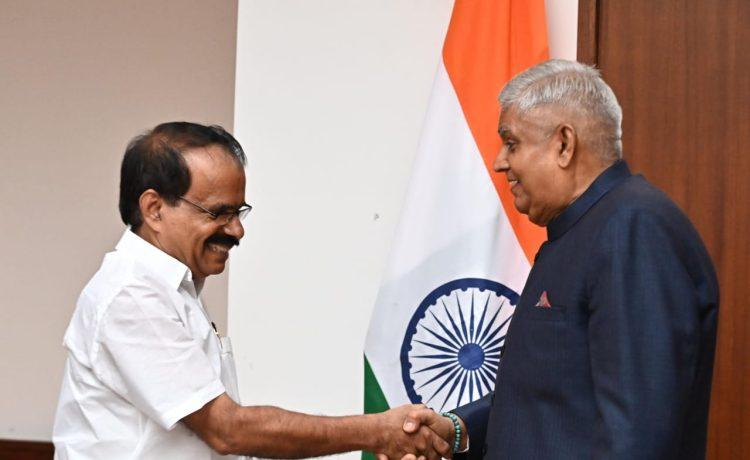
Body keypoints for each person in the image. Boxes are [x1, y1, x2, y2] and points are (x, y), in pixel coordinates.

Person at [52, 122, 451, 460]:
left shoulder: (173, 290)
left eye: (239, 211)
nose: (237, 230)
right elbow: (227, 430)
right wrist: (375, 431)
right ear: (154, 209)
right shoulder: (132, 294)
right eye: (218, 213)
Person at [402, 60, 719, 459]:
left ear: (564, 145)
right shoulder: (582, 230)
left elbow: (637, 437)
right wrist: (458, 430)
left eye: (512, 143)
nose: (500, 161)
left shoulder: (632, 228)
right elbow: (548, 400)